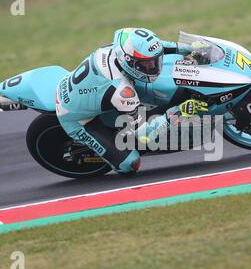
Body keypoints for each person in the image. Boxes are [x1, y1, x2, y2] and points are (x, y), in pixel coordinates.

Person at [56, 28, 208, 174]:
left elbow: (159, 47)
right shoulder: (122, 92)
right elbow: (145, 135)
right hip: (77, 118)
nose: (153, 66)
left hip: (90, 90)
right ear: (128, 61)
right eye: (146, 64)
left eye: (155, 61)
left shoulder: (121, 48)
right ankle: (111, 149)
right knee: (130, 164)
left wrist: (188, 48)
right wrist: (178, 112)